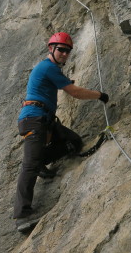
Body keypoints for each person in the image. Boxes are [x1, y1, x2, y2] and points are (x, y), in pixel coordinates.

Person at [14, 32, 109, 232]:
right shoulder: (47, 67)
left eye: (67, 51)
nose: (65, 54)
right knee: (29, 165)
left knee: (72, 142)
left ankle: (41, 162)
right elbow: (74, 92)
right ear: (51, 49)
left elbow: (64, 85)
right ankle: (21, 215)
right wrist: (99, 95)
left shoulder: (51, 69)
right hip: (34, 120)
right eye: (61, 50)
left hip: (44, 121)